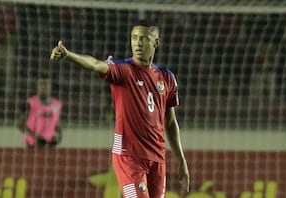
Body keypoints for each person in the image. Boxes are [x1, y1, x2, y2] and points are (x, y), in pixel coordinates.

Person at [50, 19, 190, 197]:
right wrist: (69, 55)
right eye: (134, 38)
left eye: (144, 38)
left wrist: (181, 159)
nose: (138, 43)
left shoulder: (167, 78)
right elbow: (94, 64)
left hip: (157, 158)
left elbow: (170, 122)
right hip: (128, 156)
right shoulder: (123, 70)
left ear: (156, 42)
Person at [17, 72, 63, 148]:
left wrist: (59, 136)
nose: (44, 87)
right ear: (37, 86)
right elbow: (20, 124)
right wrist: (34, 135)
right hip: (32, 145)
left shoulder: (57, 104)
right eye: (41, 84)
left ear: (50, 86)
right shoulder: (30, 103)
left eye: (46, 84)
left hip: (50, 145)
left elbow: (57, 124)